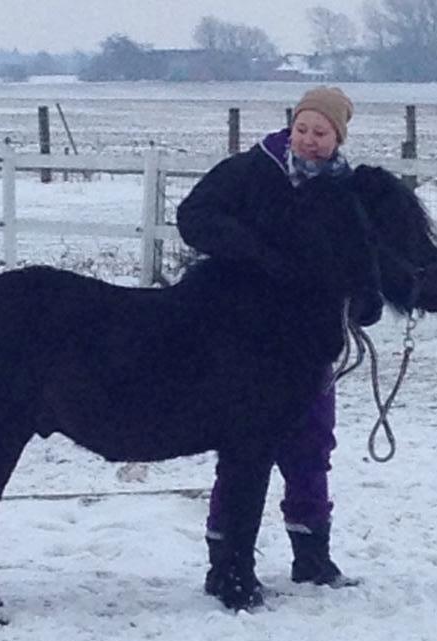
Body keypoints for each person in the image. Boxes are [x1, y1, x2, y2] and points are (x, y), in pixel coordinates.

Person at [176, 86, 383, 602]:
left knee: (312, 444)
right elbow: (194, 217)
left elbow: (360, 257)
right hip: (241, 338)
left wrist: (367, 298)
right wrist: (253, 252)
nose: (309, 141)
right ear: (290, 128)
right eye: (302, 129)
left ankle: (312, 556)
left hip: (309, 343)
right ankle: (225, 559)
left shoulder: (343, 193)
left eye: (321, 133)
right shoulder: (251, 171)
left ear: (338, 138)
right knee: (244, 449)